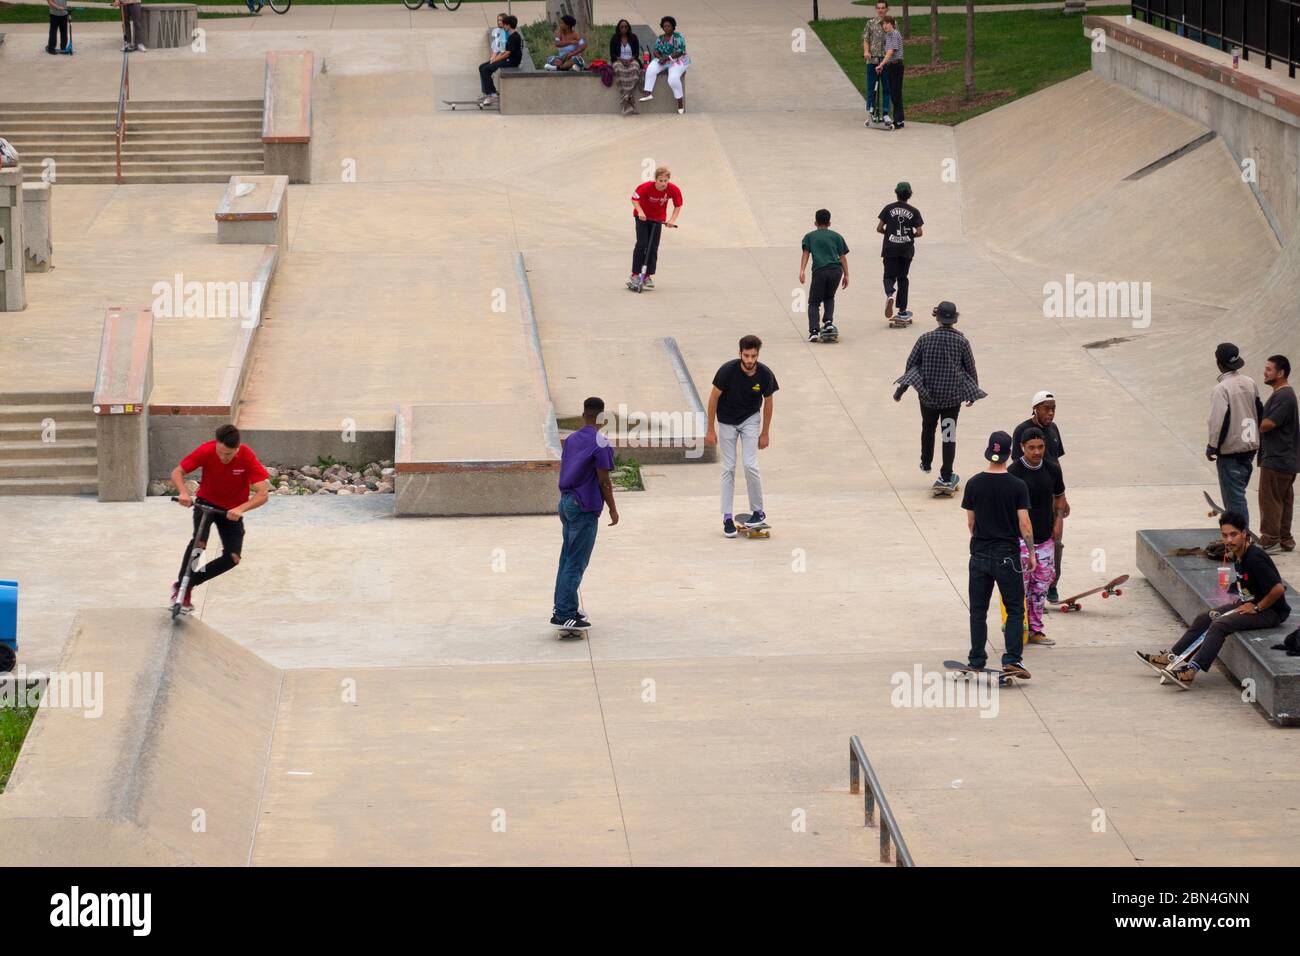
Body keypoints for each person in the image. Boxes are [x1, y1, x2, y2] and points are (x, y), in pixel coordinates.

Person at [1139, 511, 1290, 687]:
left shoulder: (1255, 557)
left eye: (1233, 535)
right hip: (1252, 602)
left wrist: (1256, 608)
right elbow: (1248, 580)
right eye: (1224, 535)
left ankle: (1191, 671)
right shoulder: (1239, 554)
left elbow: (1278, 589)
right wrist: (1242, 596)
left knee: (1220, 624)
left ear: (1244, 534)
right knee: (1206, 617)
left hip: (1271, 611)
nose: (1229, 540)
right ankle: (1170, 657)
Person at [170, 424, 270, 613]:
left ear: (237, 448)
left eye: (229, 455)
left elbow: (263, 493)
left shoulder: (247, 456)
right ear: (216, 444)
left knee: (233, 557)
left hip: (231, 511)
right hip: (205, 504)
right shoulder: (206, 450)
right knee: (199, 544)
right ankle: (183, 590)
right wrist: (183, 493)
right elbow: (177, 472)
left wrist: (241, 508)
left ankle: (189, 582)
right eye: (221, 452)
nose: (224, 458)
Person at [961, 431, 1034, 681]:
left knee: (978, 610)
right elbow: (1024, 524)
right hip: (1007, 556)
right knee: (1014, 609)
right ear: (1009, 452)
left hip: (979, 554)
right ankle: (1012, 660)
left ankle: (976, 660)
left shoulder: (973, 483)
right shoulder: (1017, 485)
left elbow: (971, 523)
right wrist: (1032, 553)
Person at [892, 301, 985, 494]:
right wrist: (973, 392)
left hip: (928, 398)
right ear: (955, 319)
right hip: (952, 399)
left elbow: (911, 365)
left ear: (936, 317)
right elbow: (970, 367)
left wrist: (902, 389)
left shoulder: (925, 339)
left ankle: (926, 462)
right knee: (948, 435)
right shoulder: (962, 342)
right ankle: (946, 473)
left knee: (928, 427)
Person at [552, 397, 619, 632]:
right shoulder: (601, 442)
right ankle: (564, 614)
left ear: (583, 415)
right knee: (576, 562)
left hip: (566, 502)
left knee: (567, 557)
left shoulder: (571, 439)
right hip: (584, 506)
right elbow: (604, 481)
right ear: (602, 418)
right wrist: (612, 507)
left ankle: (563, 605)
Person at [705, 335, 778, 538]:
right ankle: (727, 517)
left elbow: (769, 402)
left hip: (750, 419)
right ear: (740, 354)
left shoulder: (764, 374)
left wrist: (765, 432)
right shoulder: (727, 371)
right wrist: (710, 430)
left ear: (757, 355)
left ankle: (758, 511)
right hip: (726, 421)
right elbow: (713, 399)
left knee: (750, 464)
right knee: (728, 467)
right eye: (746, 355)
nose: (749, 360)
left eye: (753, 356)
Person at [1008, 427, 1067, 646]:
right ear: (1022, 447)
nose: (1036, 452)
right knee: (1020, 588)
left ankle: (1036, 629)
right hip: (1020, 541)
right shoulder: (1013, 472)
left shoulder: (1052, 469)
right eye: (1031, 448)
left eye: (1040, 447)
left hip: (1045, 540)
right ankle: (1018, 628)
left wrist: (1059, 519)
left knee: (1041, 587)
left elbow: (1060, 498)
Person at [1012, 390, 1067, 602]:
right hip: (1028, 498)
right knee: (1029, 545)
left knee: (1056, 541)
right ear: (1035, 409)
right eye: (1047, 408)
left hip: (1050, 492)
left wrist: (1062, 498)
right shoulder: (1022, 431)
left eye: (1053, 408)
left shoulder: (1053, 430)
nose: (1051, 413)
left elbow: (1057, 463)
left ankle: (1051, 584)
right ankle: (1028, 590)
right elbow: (1020, 465)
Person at [1206, 342, 1262, 527]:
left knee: (1235, 500)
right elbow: (1259, 411)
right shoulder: (1250, 382)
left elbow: (1217, 421)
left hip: (1230, 451)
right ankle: (1238, 532)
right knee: (1239, 493)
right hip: (1250, 447)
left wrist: (1212, 446)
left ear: (1219, 364)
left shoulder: (1221, 389)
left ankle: (1241, 538)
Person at [1258, 355, 1298, 552]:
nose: (1265, 373)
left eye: (1269, 369)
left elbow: (1268, 425)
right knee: (1284, 499)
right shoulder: (1284, 395)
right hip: (1286, 459)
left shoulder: (1284, 396)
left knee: (1270, 499)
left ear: (1280, 373)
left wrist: (1254, 417)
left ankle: (1270, 538)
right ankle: (1285, 537)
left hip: (1276, 458)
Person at [799, 209, 850, 343]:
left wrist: (802, 270)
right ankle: (828, 322)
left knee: (814, 303)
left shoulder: (809, 236)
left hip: (820, 271)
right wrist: (847, 275)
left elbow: (806, 253)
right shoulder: (837, 236)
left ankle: (814, 331)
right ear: (830, 223)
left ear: (815, 222)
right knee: (829, 296)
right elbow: (842, 257)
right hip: (836, 271)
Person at [629, 166, 682, 289]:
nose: (663, 183)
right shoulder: (646, 187)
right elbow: (634, 199)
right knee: (642, 244)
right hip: (642, 218)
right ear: (656, 179)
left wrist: (672, 220)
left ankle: (647, 275)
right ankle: (635, 274)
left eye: (666, 181)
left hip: (658, 220)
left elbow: (678, 205)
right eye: (661, 180)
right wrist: (640, 211)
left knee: (653, 247)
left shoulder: (673, 189)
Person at [877, 181, 922, 322]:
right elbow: (919, 232)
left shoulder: (888, 208)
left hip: (890, 248)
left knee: (888, 276)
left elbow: (879, 228)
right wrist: (908, 236)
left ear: (896, 193)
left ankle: (890, 294)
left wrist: (889, 233)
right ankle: (902, 310)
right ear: (909, 195)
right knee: (903, 278)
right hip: (906, 249)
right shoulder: (914, 211)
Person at [640, 16, 690, 114]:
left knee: (672, 79)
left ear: (673, 27)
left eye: (669, 26)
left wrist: (666, 58)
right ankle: (648, 93)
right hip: (664, 60)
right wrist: (660, 58)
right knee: (651, 68)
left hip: (678, 61)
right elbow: (655, 51)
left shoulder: (678, 37)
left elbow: (680, 52)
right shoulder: (660, 38)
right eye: (664, 26)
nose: (666, 28)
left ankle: (680, 102)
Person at [478, 14, 522, 107]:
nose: (503, 26)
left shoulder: (514, 37)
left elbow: (506, 53)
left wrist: (495, 60)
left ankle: (492, 95)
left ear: (508, 25)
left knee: (486, 69)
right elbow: (503, 51)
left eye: (504, 24)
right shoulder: (510, 36)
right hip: (507, 59)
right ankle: (489, 93)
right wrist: (493, 59)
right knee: (483, 67)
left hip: (511, 62)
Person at [861, 1, 893, 126]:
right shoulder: (870, 23)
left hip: (886, 61)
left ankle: (885, 114)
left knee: (886, 87)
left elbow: (894, 39)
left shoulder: (892, 23)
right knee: (871, 88)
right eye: (878, 8)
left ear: (887, 9)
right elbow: (866, 39)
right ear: (876, 9)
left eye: (883, 8)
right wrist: (866, 51)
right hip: (873, 61)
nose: (880, 10)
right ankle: (871, 112)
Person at [609, 20, 643, 115]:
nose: (624, 29)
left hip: (631, 60)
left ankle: (625, 98)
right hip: (619, 60)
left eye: (625, 27)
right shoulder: (614, 38)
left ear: (628, 28)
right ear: (618, 28)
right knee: (619, 69)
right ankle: (629, 99)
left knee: (635, 68)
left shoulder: (633, 37)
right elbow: (612, 54)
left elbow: (636, 53)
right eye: (622, 27)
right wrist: (621, 59)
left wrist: (631, 59)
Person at [878, 15, 904, 129]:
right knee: (894, 93)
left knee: (895, 93)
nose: (885, 26)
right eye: (883, 24)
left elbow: (890, 52)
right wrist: (884, 65)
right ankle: (900, 120)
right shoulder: (888, 36)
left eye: (887, 23)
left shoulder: (894, 34)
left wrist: (881, 64)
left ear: (892, 24)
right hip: (891, 66)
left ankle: (898, 121)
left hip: (896, 66)